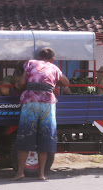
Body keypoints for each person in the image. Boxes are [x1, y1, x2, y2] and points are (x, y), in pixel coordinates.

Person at [11, 48, 69, 181]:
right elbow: (66, 82)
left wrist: (17, 85)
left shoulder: (31, 63)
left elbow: (21, 83)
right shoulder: (54, 67)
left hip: (30, 102)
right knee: (45, 137)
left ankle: (20, 172)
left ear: (39, 56)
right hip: (47, 104)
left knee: (25, 136)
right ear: (52, 59)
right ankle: (41, 174)